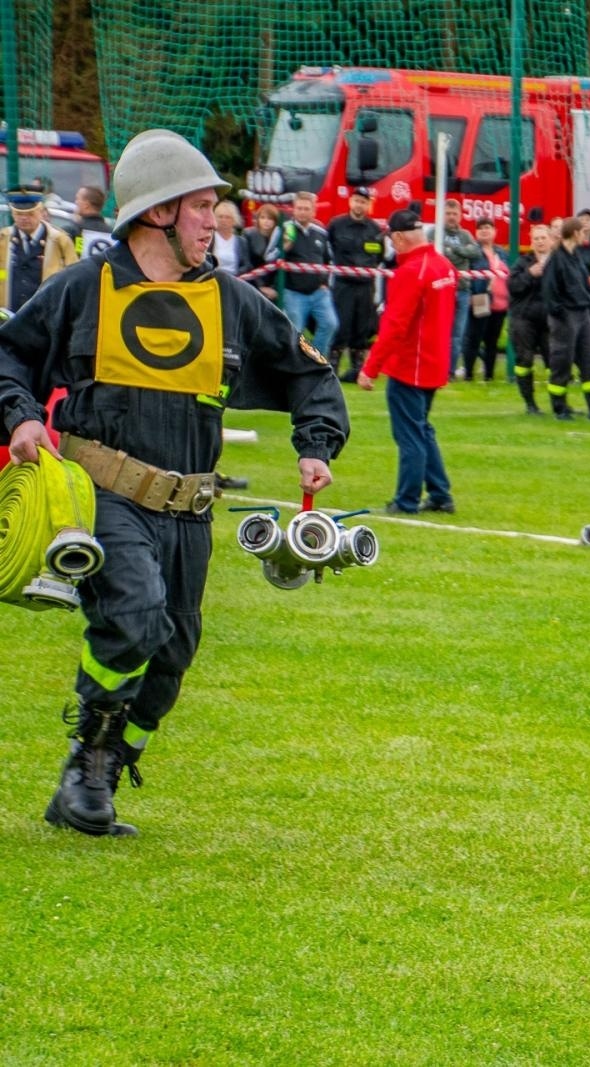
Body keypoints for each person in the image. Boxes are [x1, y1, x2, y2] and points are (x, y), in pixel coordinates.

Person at [0, 128, 348, 837]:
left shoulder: (232, 300)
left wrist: (314, 444)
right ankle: (87, 770)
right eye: (201, 207)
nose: (216, 223)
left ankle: (101, 760)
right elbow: (9, 355)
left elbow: (309, 371)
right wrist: (22, 418)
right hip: (105, 495)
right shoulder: (84, 289)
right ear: (158, 212)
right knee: (134, 614)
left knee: (172, 654)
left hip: (190, 509)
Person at [359, 209, 455, 513]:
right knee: (422, 429)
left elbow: (394, 326)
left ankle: (407, 500)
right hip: (433, 362)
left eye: (392, 239)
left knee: (410, 436)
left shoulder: (412, 272)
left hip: (410, 365)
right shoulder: (443, 266)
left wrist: (369, 368)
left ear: (399, 238)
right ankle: (440, 494)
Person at [543, 217, 590, 421]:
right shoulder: (556, 259)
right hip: (565, 316)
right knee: (562, 362)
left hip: (583, 314)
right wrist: (561, 313)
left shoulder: (576, 257)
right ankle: (559, 407)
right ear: (575, 233)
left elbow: (583, 286)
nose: (585, 235)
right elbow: (550, 291)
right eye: (582, 231)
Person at [267, 191, 339, 361]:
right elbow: (268, 257)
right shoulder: (284, 229)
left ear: (313, 211)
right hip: (293, 292)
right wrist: (284, 247)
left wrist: (326, 283)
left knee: (330, 323)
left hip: (319, 292)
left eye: (306, 209)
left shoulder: (321, 231)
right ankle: (294, 363)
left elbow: (330, 260)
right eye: (299, 208)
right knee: (295, 330)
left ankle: (316, 361)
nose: (302, 212)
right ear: (293, 210)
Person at [326, 187, 385, 383]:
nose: (360, 205)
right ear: (351, 201)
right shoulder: (336, 225)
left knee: (362, 328)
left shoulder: (375, 230)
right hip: (343, 285)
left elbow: (380, 256)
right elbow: (328, 252)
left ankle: (357, 369)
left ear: (369, 205)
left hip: (366, 286)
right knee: (341, 327)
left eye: (364, 202)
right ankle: (332, 367)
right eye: (357, 200)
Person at [2, 183, 79, 312]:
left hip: (45, 319)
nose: (24, 218)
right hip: (8, 319)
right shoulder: (3, 240)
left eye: (30, 213)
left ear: (41, 211)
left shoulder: (59, 241)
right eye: (18, 214)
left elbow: (75, 279)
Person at [431, 199, 485, 380]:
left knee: (457, 335)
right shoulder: (434, 233)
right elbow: (433, 253)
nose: (451, 217)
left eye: (454, 214)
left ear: (460, 215)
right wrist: (461, 251)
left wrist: (453, 249)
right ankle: (435, 368)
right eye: (448, 213)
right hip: (440, 289)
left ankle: (450, 371)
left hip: (462, 290)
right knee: (439, 332)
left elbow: (476, 252)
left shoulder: (465, 234)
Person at [508, 220, 553, 415]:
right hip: (523, 319)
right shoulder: (523, 262)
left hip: (549, 320)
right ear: (531, 242)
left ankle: (559, 404)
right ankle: (530, 404)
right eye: (536, 239)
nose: (540, 242)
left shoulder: (556, 262)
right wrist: (529, 274)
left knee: (554, 361)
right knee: (524, 360)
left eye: (543, 238)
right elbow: (513, 286)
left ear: (551, 240)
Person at [464, 218, 510, 382]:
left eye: (488, 227)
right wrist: (469, 295)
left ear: (494, 231)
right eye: (481, 228)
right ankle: (468, 374)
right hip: (480, 300)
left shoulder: (502, 253)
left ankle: (489, 375)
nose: (484, 231)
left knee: (492, 342)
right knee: (474, 339)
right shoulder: (472, 252)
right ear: (476, 232)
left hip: (501, 304)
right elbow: (466, 274)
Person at [244, 203, 280, 303]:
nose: (266, 222)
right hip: (253, 285)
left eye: (270, 219)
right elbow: (247, 264)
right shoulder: (249, 235)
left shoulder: (279, 239)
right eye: (263, 218)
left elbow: (280, 265)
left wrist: (275, 288)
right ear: (258, 219)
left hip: (273, 289)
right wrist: (260, 287)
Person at [209, 200, 250, 277]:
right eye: (220, 217)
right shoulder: (209, 238)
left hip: (235, 279)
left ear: (234, 220)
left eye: (227, 217)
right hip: (213, 278)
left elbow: (246, 265)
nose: (223, 220)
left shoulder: (241, 241)